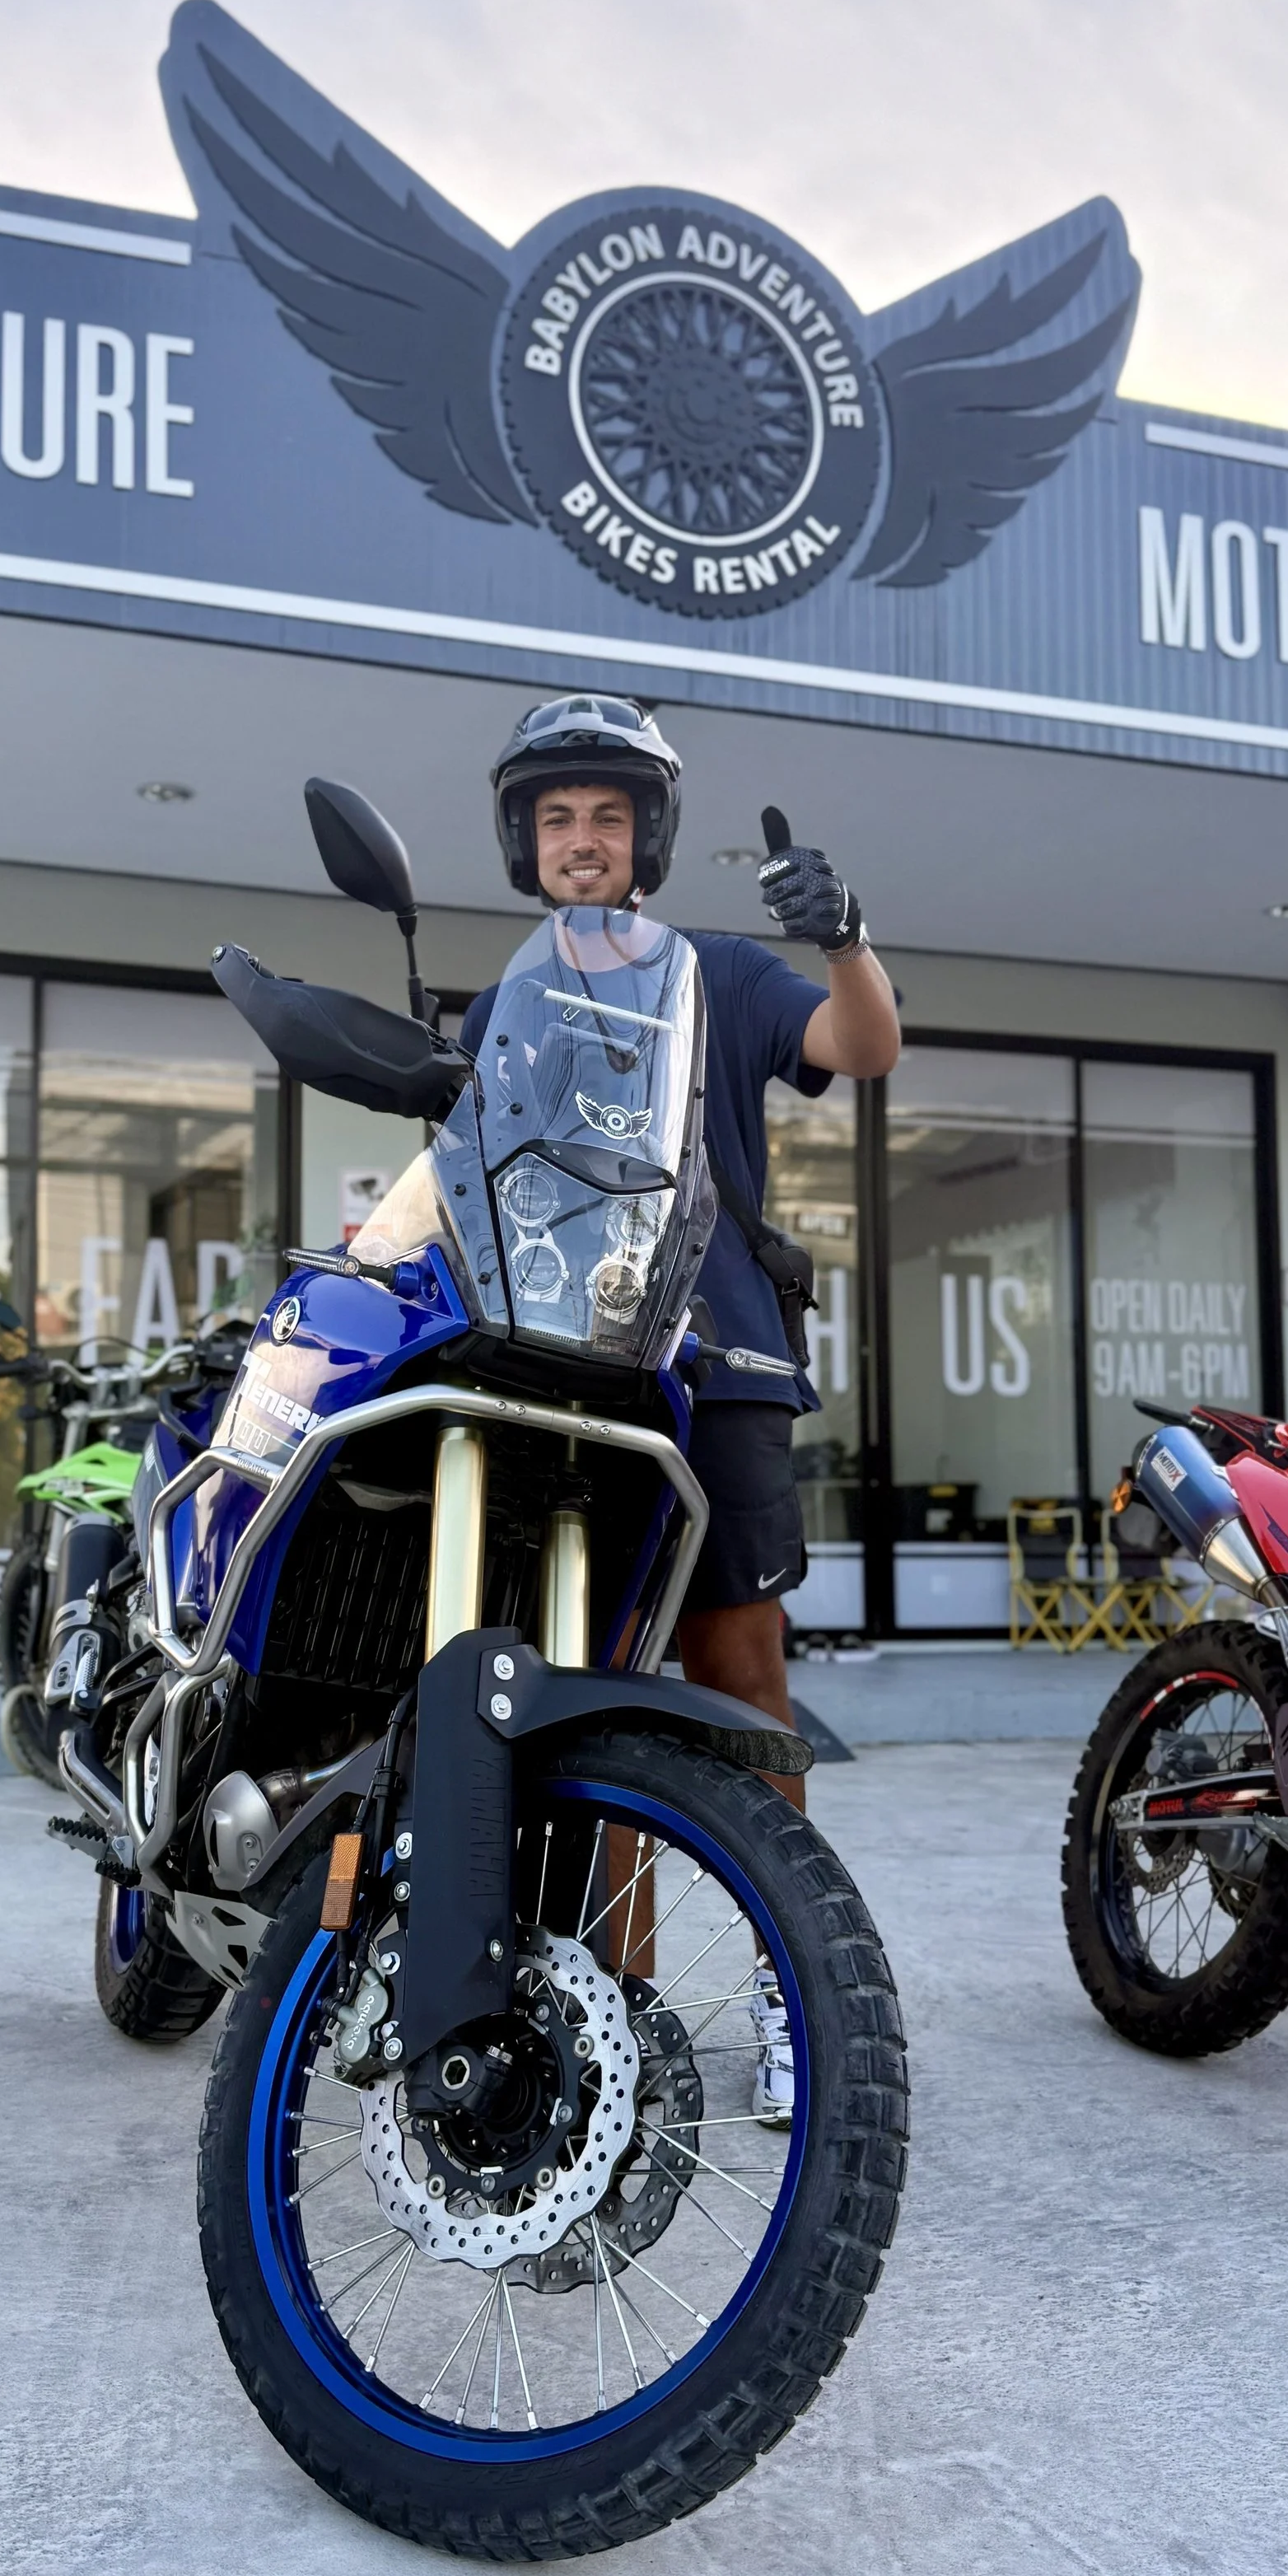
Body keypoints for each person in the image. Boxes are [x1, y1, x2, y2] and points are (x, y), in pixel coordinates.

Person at [463, 694, 902, 2124]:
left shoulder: (719, 969)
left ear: (645, 836)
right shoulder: (505, 1006)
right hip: (552, 1378)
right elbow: (457, 1176)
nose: (582, 840)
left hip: (718, 1365)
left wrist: (843, 934)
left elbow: (863, 1046)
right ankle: (620, 2023)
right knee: (584, 1711)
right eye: (557, 819)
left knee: (741, 1683)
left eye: (607, 816)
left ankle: (795, 1998)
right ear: (528, 844)